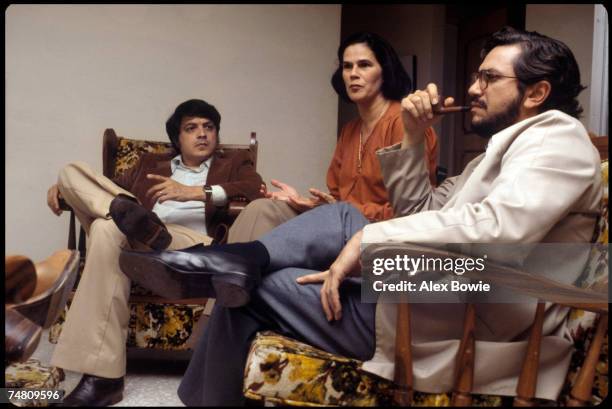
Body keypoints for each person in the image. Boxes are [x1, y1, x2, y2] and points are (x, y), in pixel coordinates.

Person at [120, 27, 602, 405]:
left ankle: (225, 263)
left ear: (536, 93)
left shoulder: (556, 137)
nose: (474, 87)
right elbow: (423, 211)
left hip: (481, 309)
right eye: (477, 76)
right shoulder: (494, 155)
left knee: (320, 240)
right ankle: (232, 265)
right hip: (437, 289)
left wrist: (368, 241)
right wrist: (413, 136)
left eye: (489, 78)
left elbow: (499, 230)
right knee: (260, 282)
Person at [47, 99, 264, 406]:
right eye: (192, 128)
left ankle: (102, 377)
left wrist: (195, 192)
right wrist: (64, 189)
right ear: (178, 138)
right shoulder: (150, 164)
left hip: (192, 245)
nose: (202, 134)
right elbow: (105, 187)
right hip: (141, 237)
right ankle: (141, 225)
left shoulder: (234, 162)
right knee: (76, 180)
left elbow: (257, 191)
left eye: (209, 127)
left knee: (106, 229)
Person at [227, 32, 438, 243]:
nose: (353, 74)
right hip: (340, 223)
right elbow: (336, 197)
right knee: (263, 209)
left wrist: (337, 209)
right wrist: (300, 201)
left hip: (382, 232)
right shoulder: (350, 130)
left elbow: (411, 210)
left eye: (364, 65)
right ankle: (222, 269)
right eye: (347, 66)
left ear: (385, 72)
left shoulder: (407, 124)